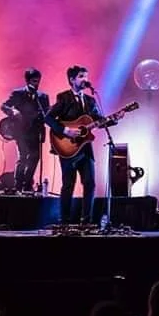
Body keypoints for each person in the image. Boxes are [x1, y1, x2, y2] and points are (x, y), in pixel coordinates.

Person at [45, 65, 111, 225]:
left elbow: (98, 120)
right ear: (72, 79)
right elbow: (48, 118)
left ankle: (86, 221)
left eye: (86, 76)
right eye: (81, 76)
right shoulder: (64, 97)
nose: (85, 80)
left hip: (85, 149)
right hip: (67, 148)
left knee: (90, 183)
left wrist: (114, 119)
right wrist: (65, 131)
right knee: (68, 184)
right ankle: (64, 221)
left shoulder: (90, 100)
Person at [0, 68, 50, 193]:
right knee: (23, 157)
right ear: (27, 81)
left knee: (35, 157)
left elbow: (47, 113)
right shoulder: (18, 94)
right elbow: (3, 106)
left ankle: (27, 184)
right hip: (21, 132)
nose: (36, 83)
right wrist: (13, 111)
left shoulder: (43, 97)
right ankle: (18, 185)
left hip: (36, 131)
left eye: (38, 81)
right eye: (34, 81)